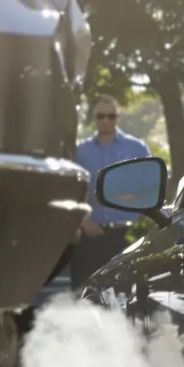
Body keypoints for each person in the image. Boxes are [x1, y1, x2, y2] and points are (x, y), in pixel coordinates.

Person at [71, 95, 152, 289]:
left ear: (119, 117)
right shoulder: (80, 152)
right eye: (101, 116)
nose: (106, 120)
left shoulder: (136, 148)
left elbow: (150, 184)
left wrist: (139, 219)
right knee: (85, 293)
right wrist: (83, 221)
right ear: (94, 118)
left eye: (111, 116)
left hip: (126, 236)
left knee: (128, 293)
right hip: (90, 236)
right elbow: (69, 189)